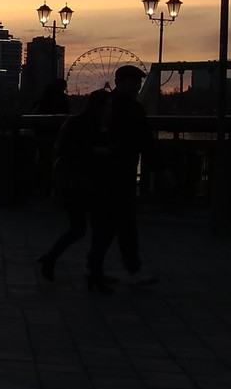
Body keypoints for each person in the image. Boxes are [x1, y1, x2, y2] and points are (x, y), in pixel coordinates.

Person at [85, 64, 160, 291]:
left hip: (117, 172)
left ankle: (96, 269)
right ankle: (128, 269)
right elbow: (144, 141)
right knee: (120, 224)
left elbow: (145, 141)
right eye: (134, 82)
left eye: (138, 82)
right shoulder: (116, 108)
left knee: (110, 225)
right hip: (111, 173)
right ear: (120, 82)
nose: (137, 86)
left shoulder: (124, 107)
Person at [36, 89, 111, 283]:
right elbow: (72, 151)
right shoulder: (90, 126)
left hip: (77, 183)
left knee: (79, 229)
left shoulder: (79, 123)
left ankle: (53, 259)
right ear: (100, 107)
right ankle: (93, 270)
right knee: (93, 229)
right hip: (82, 183)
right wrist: (98, 152)